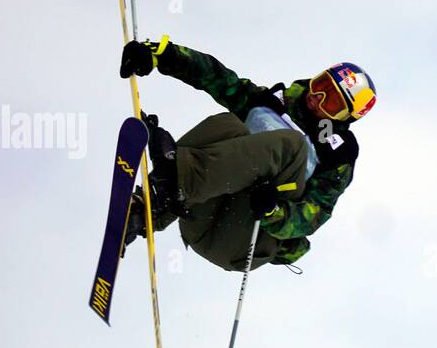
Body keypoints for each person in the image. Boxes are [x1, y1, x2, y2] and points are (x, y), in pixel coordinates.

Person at [118, 36, 376, 270]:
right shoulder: (273, 103)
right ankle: (149, 208)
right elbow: (217, 79)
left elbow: (314, 215)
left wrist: (272, 211)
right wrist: (163, 56)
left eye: (330, 101)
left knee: (293, 143)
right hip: (198, 215)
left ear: (345, 117)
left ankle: (177, 182)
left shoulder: (337, 156)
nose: (316, 97)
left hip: (243, 239)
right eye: (321, 85)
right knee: (230, 123)